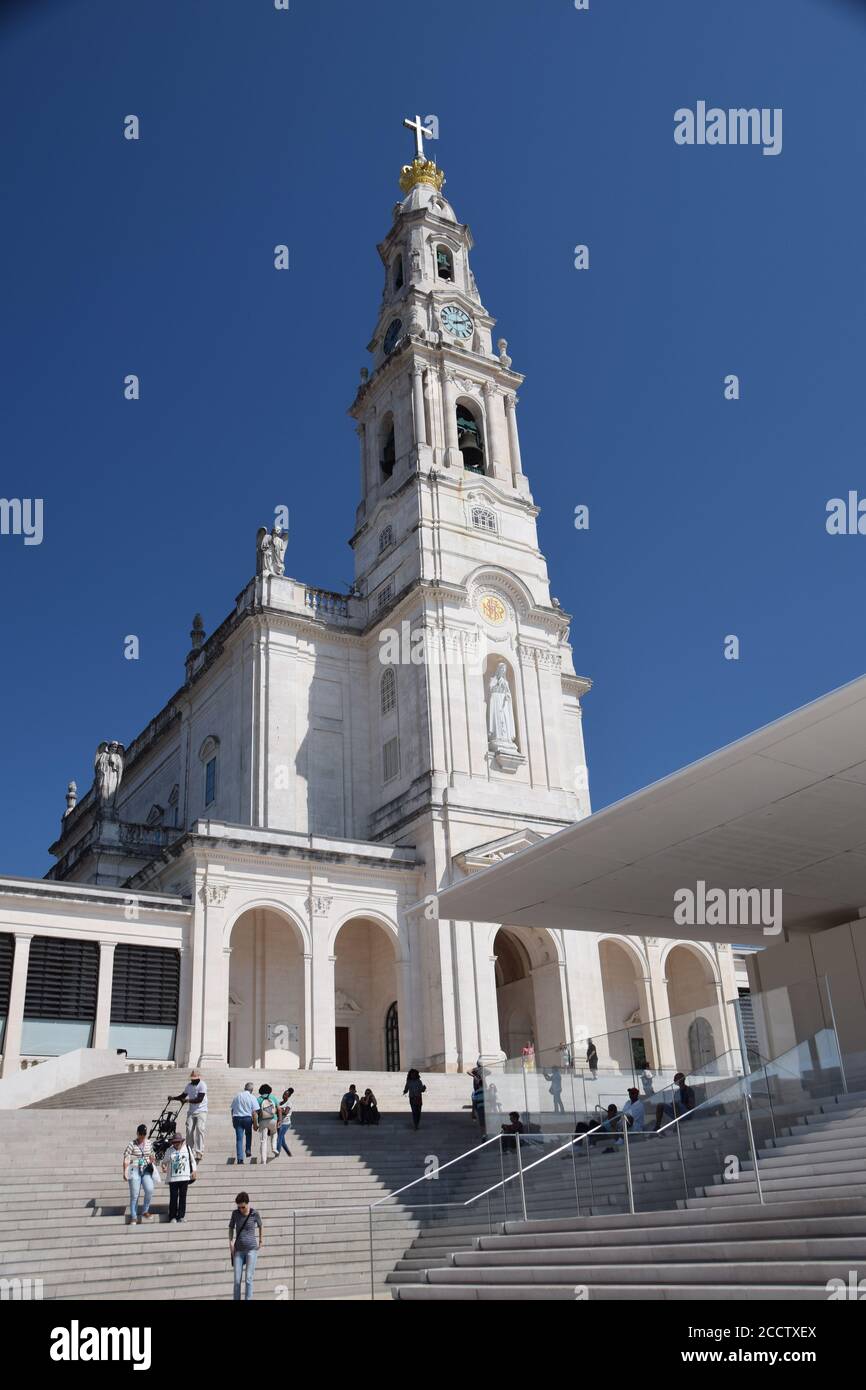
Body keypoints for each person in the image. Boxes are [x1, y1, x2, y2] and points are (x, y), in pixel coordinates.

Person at [228, 1191, 263, 1301]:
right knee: (237, 1280)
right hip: (238, 1250)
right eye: (239, 1207)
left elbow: (261, 1225)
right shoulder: (235, 1213)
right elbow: (230, 1227)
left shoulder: (254, 1213)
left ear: (248, 1203)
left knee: (248, 1278)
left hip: (251, 1249)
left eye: (243, 1207)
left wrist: (261, 1240)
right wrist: (230, 1241)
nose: (241, 1209)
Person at [122, 1124, 157, 1226]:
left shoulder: (149, 1143)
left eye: (144, 1135)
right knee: (135, 1194)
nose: (142, 1137)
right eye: (140, 1134)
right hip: (134, 1169)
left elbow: (152, 1154)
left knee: (149, 1189)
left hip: (146, 1169)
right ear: (137, 1133)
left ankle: (145, 1210)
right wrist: (125, 1171)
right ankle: (133, 1216)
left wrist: (152, 1159)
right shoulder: (132, 1144)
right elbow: (126, 1158)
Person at [170, 1069, 208, 1161]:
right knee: (189, 1130)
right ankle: (190, 1150)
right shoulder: (189, 1086)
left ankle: (199, 1152)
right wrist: (173, 1098)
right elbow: (183, 1096)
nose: (192, 1080)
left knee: (200, 1129)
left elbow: (199, 1099)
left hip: (201, 1111)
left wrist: (187, 1101)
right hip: (191, 1111)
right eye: (192, 1079)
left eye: (194, 1079)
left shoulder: (202, 1085)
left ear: (198, 1078)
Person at [160, 1131, 196, 1223]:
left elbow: (192, 1161)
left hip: (184, 1178)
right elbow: (164, 1161)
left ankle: (181, 1216)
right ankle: (172, 1216)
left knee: (183, 1197)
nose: (176, 1144)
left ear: (181, 1142)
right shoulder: (169, 1150)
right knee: (173, 1197)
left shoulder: (187, 1148)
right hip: (173, 1178)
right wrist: (164, 1166)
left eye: (177, 1142)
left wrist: (194, 1171)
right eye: (174, 1142)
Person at [230, 1081, 258, 1165]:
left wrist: (233, 1119)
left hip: (237, 1118)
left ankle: (240, 1159)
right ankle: (248, 1149)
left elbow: (232, 1109)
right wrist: (255, 1123)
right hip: (247, 1118)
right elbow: (255, 1111)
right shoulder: (252, 1097)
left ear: (244, 1088)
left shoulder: (237, 1096)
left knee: (239, 1139)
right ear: (251, 1090)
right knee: (248, 1134)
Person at [254, 1083, 279, 1162]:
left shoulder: (258, 1099)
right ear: (269, 1090)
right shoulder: (273, 1097)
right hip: (273, 1119)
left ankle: (263, 1160)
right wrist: (280, 1120)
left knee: (263, 1141)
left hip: (262, 1121)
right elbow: (279, 1109)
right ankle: (274, 1148)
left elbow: (255, 1112)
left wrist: (255, 1124)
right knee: (274, 1133)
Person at [275, 1087, 294, 1157]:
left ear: (288, 1096)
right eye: (283, 1094)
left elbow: (286, 1112)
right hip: (279, 1122)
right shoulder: (280, 1103)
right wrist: (279, 1110)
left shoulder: (289, 1103)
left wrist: (279, 1109)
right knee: (282, 1140)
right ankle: (289, 1153)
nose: (284, 1096)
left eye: (286, 1095)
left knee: (279, 1138)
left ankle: (277, 1153)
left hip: (285, 1123)